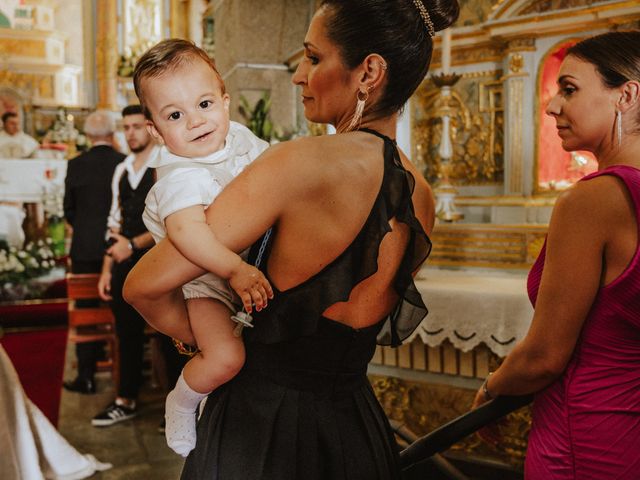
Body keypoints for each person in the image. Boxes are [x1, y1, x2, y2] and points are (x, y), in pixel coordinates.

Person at [125, 0, 458, 477]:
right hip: (353, 433)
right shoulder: (420, 193)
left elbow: (141, 286)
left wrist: (206, 343)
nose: (299, 74)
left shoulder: (293, 164)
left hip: (257, 432)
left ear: (368, 72)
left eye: (314, 57)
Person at [470, 31, 640, 479]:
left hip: (589, 431)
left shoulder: (595, 200)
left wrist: (493, 388)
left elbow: (545, 355)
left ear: (627, 94)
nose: (550, 106)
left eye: (569, 89)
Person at [128, 39, 272, 456]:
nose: (195, 121)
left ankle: (217, 399)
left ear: (225, 100)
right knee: (225, 357)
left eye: (205, 104)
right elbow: (190, 236)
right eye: (175, 114)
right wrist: (233, 269)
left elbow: (274, 179)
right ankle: (184, 399)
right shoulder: (178, 174)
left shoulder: (241, 140)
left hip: (250, 266)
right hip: (206, 281)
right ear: (156, 130)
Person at [90, 105, 161, 426]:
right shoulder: (122, 170)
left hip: (158, 260)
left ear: (149, 127)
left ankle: (178, 408)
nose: (131, 132)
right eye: (126, 127)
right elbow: (114, 224)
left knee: (166, 333)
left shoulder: (163, 162)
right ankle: (125, 399)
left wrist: (132, 245)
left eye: (136, 126)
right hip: (122, 262)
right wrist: (106, 269)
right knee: (126, 331)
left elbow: (170, 225)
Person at [63, 110, 125, 395]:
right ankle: (125, 377)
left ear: (87, 136)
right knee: (122, 308)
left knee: (87, 308)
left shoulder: (76, 165)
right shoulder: (125, 163)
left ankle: (86, 376)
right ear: (113, 134)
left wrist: (86, 231)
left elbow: (69, 210)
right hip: (119, 246)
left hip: (86, 247)